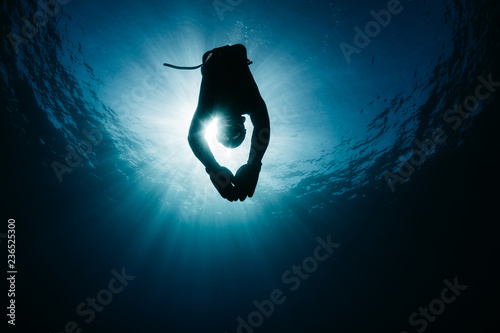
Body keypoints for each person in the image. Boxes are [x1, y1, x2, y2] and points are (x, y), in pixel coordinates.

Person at [187, 44, 270, 202]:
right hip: (234, 55)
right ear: (244, 124)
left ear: (216, 127)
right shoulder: (250, 103)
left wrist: (213, 168)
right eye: (236, 133)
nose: (230, 130)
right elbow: (262, 125)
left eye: (225, 135)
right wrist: (254, 163)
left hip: (215, 61)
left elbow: (193, 137)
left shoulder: (210, 108)